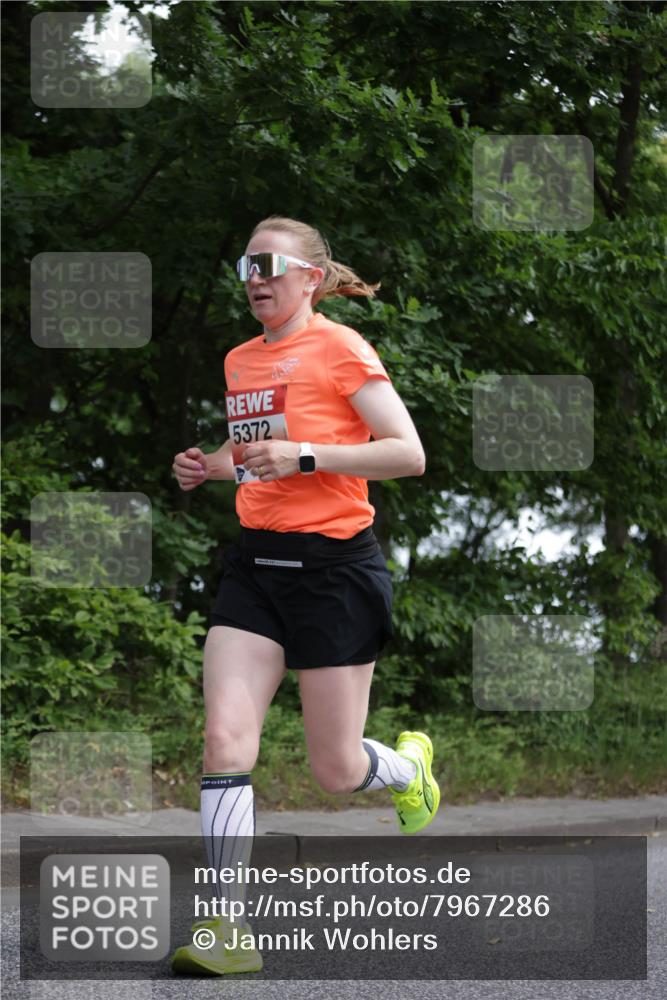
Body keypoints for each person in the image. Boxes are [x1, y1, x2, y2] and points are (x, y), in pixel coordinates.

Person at [170, 216, 440, 976]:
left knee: (335, 769)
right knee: (225, 740)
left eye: (269, 264)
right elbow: (255, 455)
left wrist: (307, 454)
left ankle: (407, 770)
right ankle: (227, 930)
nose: (254, 277)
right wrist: (211, 466)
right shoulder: (239, 359)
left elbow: (407, 453)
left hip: (333, 572)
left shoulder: (341, 346)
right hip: (256, 569)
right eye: (245, 265)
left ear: (310, 278)